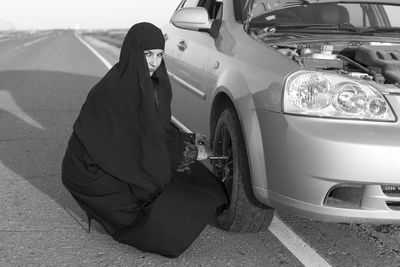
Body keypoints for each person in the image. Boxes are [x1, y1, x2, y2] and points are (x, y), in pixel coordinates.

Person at [61, 22, 227, 258]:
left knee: (203, 184)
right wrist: (192, 152)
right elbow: (146, 144)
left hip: (117, 159)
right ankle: (109, 211)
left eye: (159, 55)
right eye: (147, 54)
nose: (154, 62)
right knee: (174, 208)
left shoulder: (150, 83)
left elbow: (155, 130)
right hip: (92, 175)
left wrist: (188, 139)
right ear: (133, 52)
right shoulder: (116, 90)